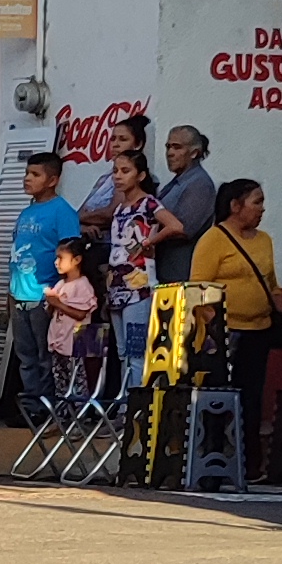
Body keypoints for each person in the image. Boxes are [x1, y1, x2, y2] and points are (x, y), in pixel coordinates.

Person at [190, 177, 282, 478]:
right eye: (257, 202)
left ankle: (248, 465)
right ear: (235, 205)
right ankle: (213, 462)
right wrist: (213, 332)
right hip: (225, 333)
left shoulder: (265, 240)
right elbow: (199, 289)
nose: (262, 209)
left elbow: (272, 285)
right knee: (218, 398)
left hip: (259, 330)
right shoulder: (213, 239)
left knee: (251, 398)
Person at [7, 152, 83, 423]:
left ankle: (47, 407)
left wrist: (61, 295)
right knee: (25, 355)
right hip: (19, 294)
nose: (28, 178)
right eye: (27, 173)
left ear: (53, 180)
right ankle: (31, 405)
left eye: (35, 174)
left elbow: (72, 255)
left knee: (45, 354)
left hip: (45, 295)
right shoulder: (27, 212)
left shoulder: (63, 212)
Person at [102, 141, 172, 390]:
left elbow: (175, 225)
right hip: (116, 284)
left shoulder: (149, 204)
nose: (118, 176)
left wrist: (150, 241)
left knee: (136, 351)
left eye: (125, 171)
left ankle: (136, 403)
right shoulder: (120, 208)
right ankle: (125, 403)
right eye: (115, 171)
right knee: (122, 352)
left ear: (140, 175)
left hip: (139, 285)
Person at [151, 122, 215, 283]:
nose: (170, 153)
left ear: (194, 153)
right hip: (165, 270)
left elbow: (184, 229)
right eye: (168, 147)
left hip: (180, 273)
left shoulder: (200, 184)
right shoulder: (178, 182)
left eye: (177, 147)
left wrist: (148, 234)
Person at [44, 235, 101, 386]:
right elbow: (50, 312)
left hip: (74, 346)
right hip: (58, 344)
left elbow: (81, 314)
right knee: (60, 382)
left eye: (60, 258)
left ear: (76, 260)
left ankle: (78, 403)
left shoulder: (83, 285)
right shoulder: (60, 284)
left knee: (77, 383)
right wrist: (51, 302)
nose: (56, 262)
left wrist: (58, 303)